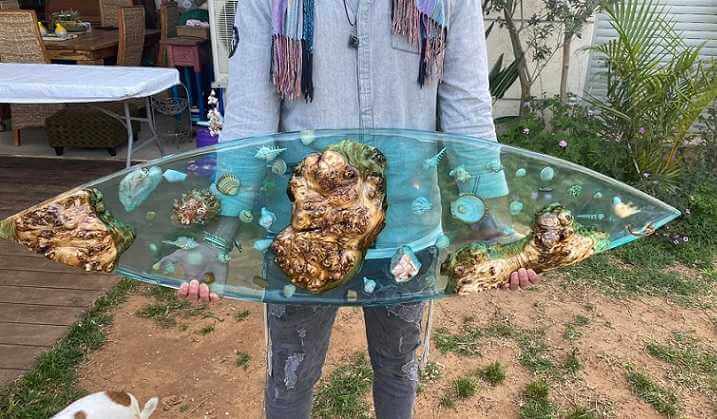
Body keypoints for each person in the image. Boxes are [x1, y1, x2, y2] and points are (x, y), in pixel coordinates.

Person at [175, 1, 540, 418]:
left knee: (399, 369)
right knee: (291, 376)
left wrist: (489, 223)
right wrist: (216, 238)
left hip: (405, 231)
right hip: (303, 236)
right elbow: (250, 115)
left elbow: (467, 107)